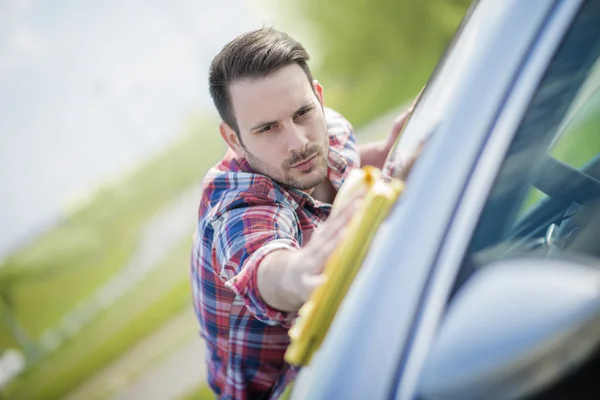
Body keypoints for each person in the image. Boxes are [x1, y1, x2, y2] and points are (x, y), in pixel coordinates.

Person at [191, 27, 414, 400]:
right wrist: (302, 270)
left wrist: (394, 150)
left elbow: (350, 165)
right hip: (289, 389)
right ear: (234, 139)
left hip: (349, 345)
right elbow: (268, 268)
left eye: (302, 112)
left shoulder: (329, 130)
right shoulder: (235, 206)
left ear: (318, 98)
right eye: (267, 129)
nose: (298, 142)